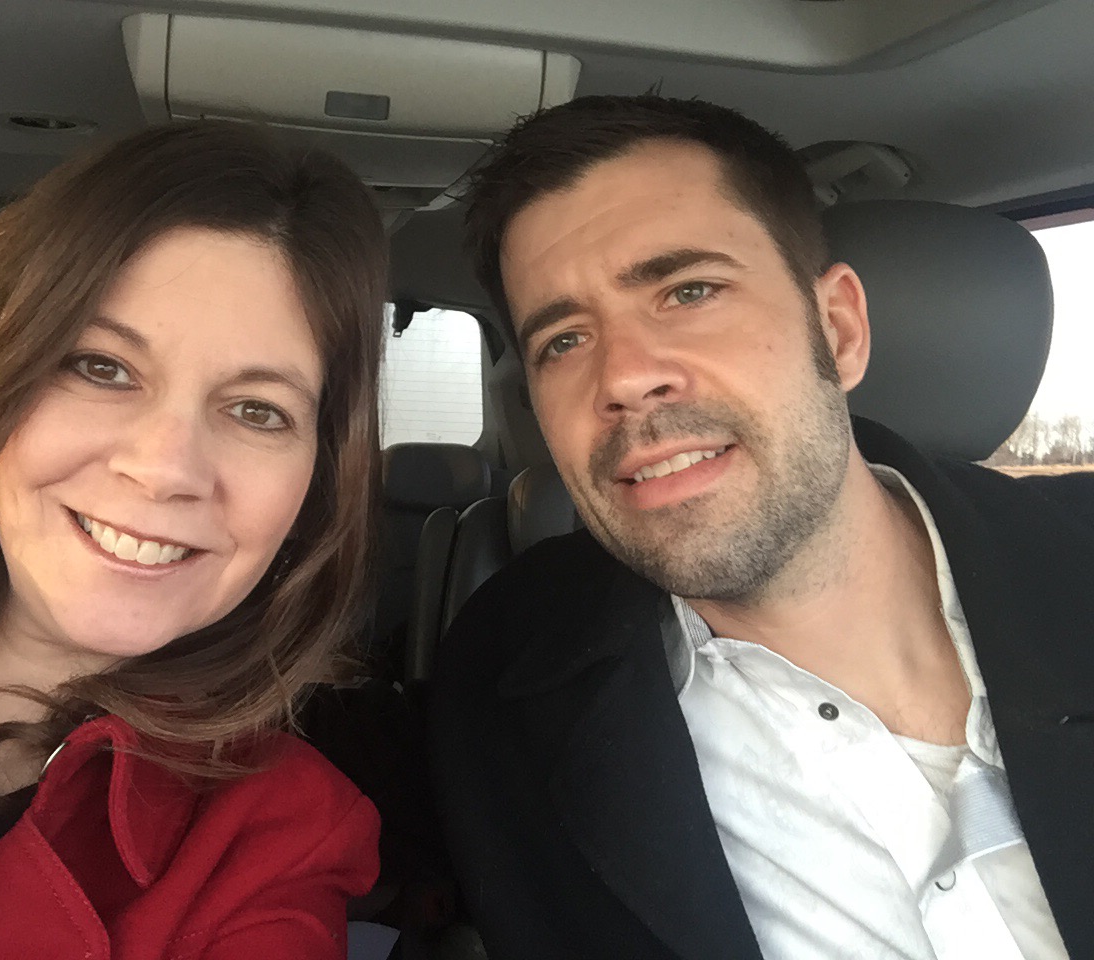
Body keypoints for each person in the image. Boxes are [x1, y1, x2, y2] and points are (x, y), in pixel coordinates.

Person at [432, 94, 1094, 960]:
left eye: (688, 291)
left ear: (839, 330)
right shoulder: (505, 674)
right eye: (562, 341)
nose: (623, 378)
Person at [0, 120, 387, 959]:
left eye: (257, 410)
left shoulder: (275, 844)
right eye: (102, 367)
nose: (164, 469)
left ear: (316, 487)